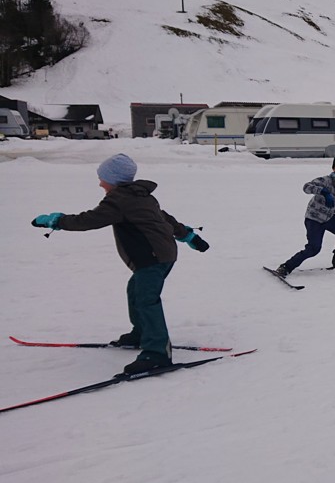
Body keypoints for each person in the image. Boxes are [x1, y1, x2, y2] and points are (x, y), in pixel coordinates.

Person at [31, 153, 210, 375]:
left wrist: (57, 221)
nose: (99, 183)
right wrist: (188, 236)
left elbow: (89, 220)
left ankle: (157, 353)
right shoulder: (140, 196)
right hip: (161, 255)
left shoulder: (119, 200)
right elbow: (165, 219)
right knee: (135, 290)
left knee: (147, 300)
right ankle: (142, 333)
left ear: (114, 180)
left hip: (152, 257)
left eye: (102, 178)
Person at [276, 154, 335, 276]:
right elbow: (306, 187)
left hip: (328, 219)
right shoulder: (325, 181)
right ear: (334, 167)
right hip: (314, 220)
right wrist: (323, 191)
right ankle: (286, 267)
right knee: (313, 249)